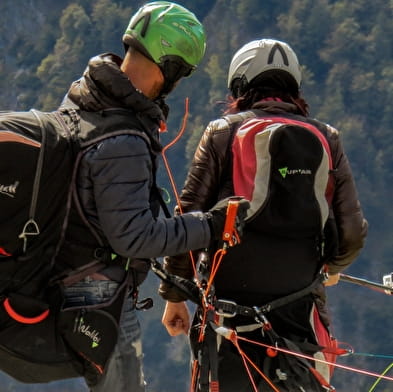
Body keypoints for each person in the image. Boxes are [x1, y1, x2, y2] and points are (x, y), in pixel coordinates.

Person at [55, 2, 250, 392]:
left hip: (60, 272)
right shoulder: (122, 137)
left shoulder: (83, 99)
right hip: (95, 292)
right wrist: (209, 226)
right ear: (173, 67)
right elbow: (135, 237)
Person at [159, 38, 368, 391]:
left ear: (240, 84)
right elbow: (351, 233)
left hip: (228, 317)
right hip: (299, 315)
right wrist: (331, 268)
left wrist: (174, 295)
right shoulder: (327, 138)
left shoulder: (222, 133)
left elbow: (188, 219)